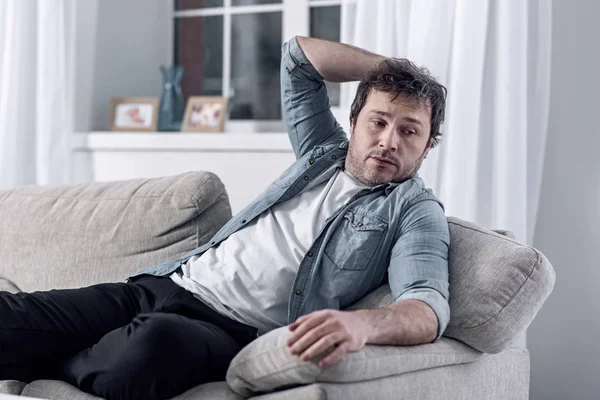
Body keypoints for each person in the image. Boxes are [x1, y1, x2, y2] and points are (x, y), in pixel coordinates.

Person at [0, 36, 450, 400]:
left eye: (409, 130)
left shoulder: (413, 210)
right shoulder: (321, 151)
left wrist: (361, 324)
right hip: (163, 285)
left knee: (151, 350)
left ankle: (53, 359)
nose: (389, 140)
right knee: (11, 314)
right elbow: (299, 58)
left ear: (428, 145)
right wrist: (393, 71)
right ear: (353, 124)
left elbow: (427, 306)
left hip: (225, 329)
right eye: (378, 121)